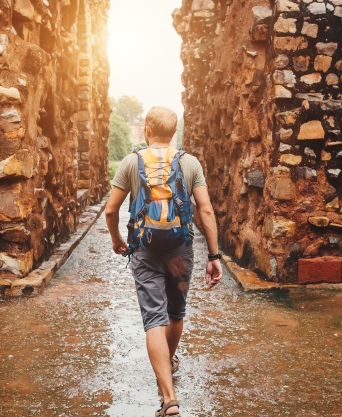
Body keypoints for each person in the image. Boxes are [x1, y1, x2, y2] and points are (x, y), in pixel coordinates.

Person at [105, 106, 223, 416]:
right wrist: (214, 255)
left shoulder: (131, 162)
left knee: (154, 319)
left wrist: (117, 240)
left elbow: (110, 210)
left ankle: (168, 398)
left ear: (146, 130)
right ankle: (168, 364)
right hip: (180, 250)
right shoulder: (189, 163)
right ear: (173, 133)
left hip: (145, 250)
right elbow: (205, 210)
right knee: (176, 311)